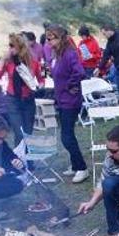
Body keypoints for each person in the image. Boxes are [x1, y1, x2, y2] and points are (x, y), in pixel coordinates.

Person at [46, 25, 89, 183]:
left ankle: (82, 168)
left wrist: (70, 86)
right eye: (47, 38)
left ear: (59, 38)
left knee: (67, 136)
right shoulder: (57, 54)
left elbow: (80, 72)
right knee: (66, 134)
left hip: (70, 100)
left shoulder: (70, 54)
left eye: (50, 38)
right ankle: (74, 164)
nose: (48, 41)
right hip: (61, 99)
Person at [0, 33, 44, 145]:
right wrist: (2, 60)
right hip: (13, 100)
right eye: (9, 45)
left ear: (20, 47)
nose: (10, 48)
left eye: (12, 46)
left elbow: (41, 78)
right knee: (19, 133)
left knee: (28, 133)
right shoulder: (8, 61)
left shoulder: (33, 62)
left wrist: (40, 85)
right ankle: (19, 160)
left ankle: (28, 160)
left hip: (28, 100)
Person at [98, 24, 119, 104]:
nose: (104, 36)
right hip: (118, 67)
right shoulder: (109, 43)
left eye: (104, 34)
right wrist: (99, 68)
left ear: (109, 30)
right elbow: (106, 56)